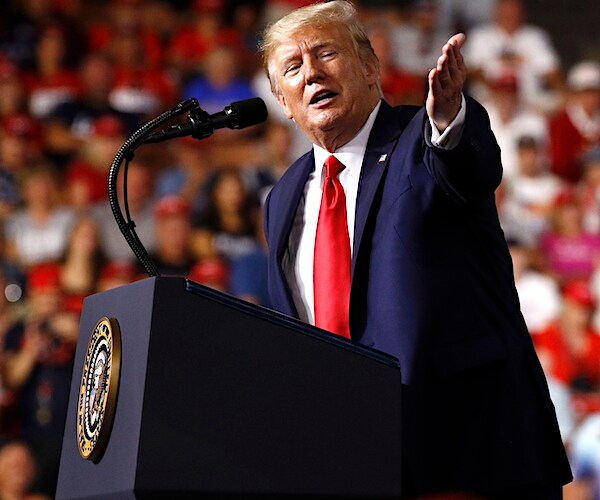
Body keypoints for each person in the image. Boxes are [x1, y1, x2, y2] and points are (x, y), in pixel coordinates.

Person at [260, 1, 571, 498]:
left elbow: (469, 167)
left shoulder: (422, 139)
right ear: (281, 98)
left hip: (471, 453)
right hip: (360, 465)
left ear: (369, 67)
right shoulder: (283, 198)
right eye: (293, 68)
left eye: (325, 54)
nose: (311, 73)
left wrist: (448, 118)